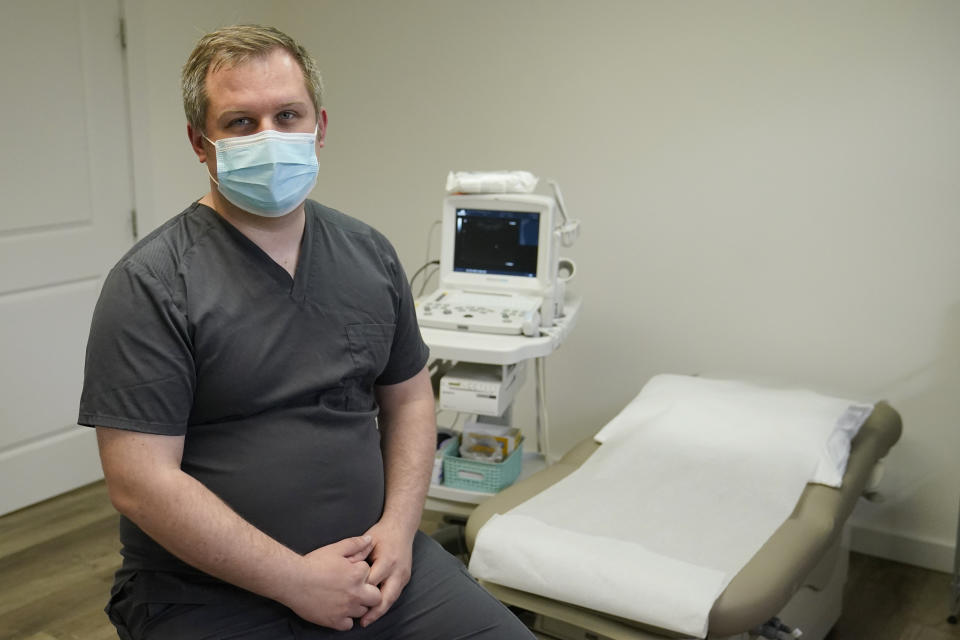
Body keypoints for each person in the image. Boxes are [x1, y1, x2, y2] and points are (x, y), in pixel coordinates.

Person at [79, 24, 534, 640]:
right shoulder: (153, 282)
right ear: (199, 141)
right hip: (207, 592)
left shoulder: (367, 253)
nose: (269, 137)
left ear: (319, 126)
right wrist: (296, 580)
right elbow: (140, 482)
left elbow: (409, 398)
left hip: (380, 568)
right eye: (240, 122)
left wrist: (400, 530)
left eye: (287, 115)